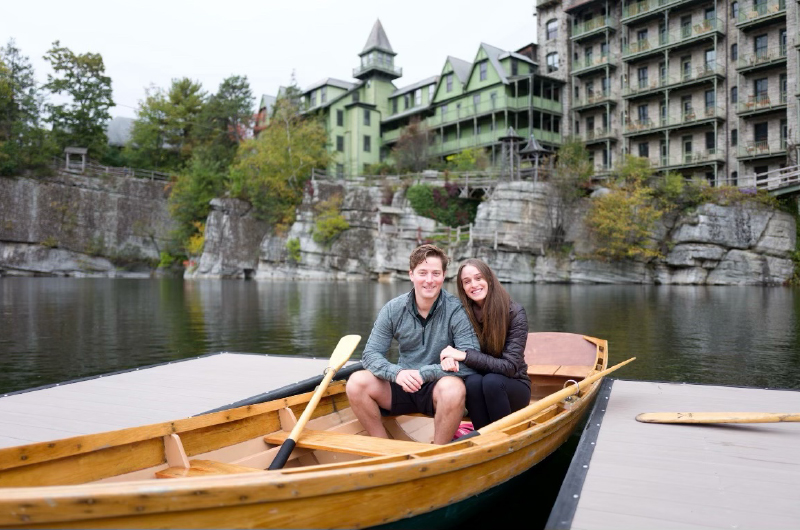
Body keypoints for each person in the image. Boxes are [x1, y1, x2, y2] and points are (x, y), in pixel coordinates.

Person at [346, 244, 480, 445]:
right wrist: (396, 373)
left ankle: (438, 451)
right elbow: (371, 354)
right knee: (356, 383)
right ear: (411, 274)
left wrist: (425, 373)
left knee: (454, 389)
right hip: (402, 384)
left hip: (437, 387)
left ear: (443, 276)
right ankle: (384, 446)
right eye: (422, 273)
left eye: (436, 273)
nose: (429, 280)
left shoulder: (456, 310)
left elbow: (471, 359)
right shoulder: (393, 309)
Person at [440, 259, 531, 430]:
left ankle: (504, 437)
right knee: (473, 382)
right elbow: (452, 350)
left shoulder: (514, 313)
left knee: (492, 381)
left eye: (478, 278)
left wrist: (466, 356)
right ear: (463, 288)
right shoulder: (462, 315)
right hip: (481, 386)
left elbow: (510, 367)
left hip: (513, 386)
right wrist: (448, 359)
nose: (473, 285)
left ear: (489, 279)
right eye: (467, 282)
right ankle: (483, 438)